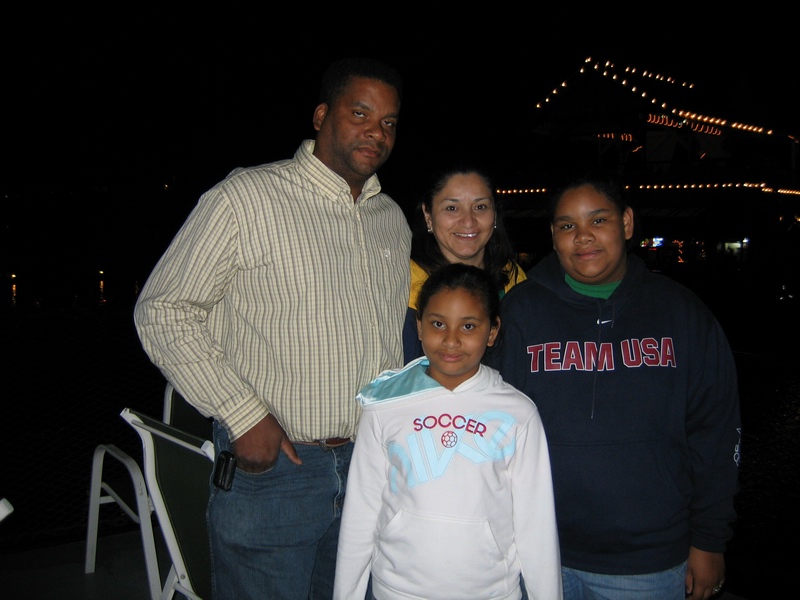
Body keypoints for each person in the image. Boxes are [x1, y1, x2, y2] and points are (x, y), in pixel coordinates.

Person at [133, 56, 411, 600]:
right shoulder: (246, 199)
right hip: (277, 471)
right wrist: (242, 414)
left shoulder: (392, 221)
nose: (376, 132)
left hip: (368, 468)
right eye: (360, 113)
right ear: (321, 115)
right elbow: (164, 309)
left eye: (389, 122)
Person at [487, 171, 741, 600]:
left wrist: (710, 539)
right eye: (567, 225)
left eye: (598, 220)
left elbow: (715, 434)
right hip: (532, 550)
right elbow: (489, 426)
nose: (583, 236)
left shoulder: (682, 313)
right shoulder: (519, 313)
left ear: (626, 223)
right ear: (553, 237)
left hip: (646, 562)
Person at [334, 263, 562, 600]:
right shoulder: (384, 406)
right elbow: (360, 512)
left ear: (492, 331)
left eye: (468, 326)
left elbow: (536, 523)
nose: (451, 340)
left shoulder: (518, 413)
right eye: (438, 323)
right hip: (397, 591)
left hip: (491, 592)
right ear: (419, 326)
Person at [403, 167, 527, 363]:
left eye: (480, 207)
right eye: (452, 208)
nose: (468, 222)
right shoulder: (405, 282)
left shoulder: (514, 278)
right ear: (428, 215)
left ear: (495, 213)